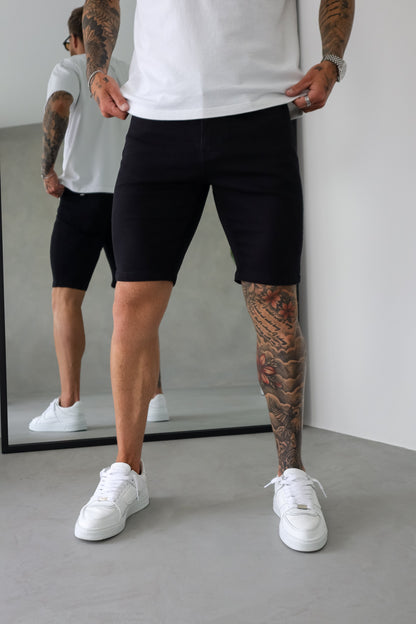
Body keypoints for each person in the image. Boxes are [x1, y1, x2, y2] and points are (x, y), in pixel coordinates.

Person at [74, 0, 354, 551]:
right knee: (131, 304)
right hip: (157, 120)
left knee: (276, 306)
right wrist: (97, 69)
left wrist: (333, 61)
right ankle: (127, 471)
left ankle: (291, 475)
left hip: (259, 116)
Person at [29, 6, 169, 434]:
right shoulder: (129, 72)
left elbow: (58, 104)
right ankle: (155, 398)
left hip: (83, 200)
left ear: (75, 40)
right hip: (130, 199)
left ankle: (69, 405)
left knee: (65, 299)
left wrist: (47, 168)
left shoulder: (70, 66)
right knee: (140, 302)